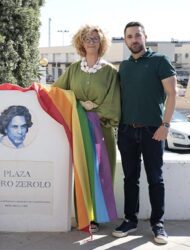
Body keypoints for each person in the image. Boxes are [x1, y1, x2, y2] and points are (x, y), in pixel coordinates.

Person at [112, 22, 177, 245]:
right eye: (129, 36)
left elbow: (172, 94)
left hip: (153, 131)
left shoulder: (160, 61)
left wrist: (165, 125)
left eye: (137, 35)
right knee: (130, 178)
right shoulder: (124, 67)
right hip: (126, 130)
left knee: (155, 179)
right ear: (125, 40)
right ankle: (130, 220)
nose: (134, 40)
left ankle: (158, 224)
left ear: (145, 37)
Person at [53, 24, 120, 232]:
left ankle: (97, 218)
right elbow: (57, 91)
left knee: (100, 171)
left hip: (103, 128)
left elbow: (114, 100)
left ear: (101, 43)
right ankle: (83, 215)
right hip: (80, 126)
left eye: (95, 38)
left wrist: (97, 110)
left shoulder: (110, 71)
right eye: (87, 38)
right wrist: (77, 105)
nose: (91, 42)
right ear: (81, 42)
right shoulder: (73, 69)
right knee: (81, 169)